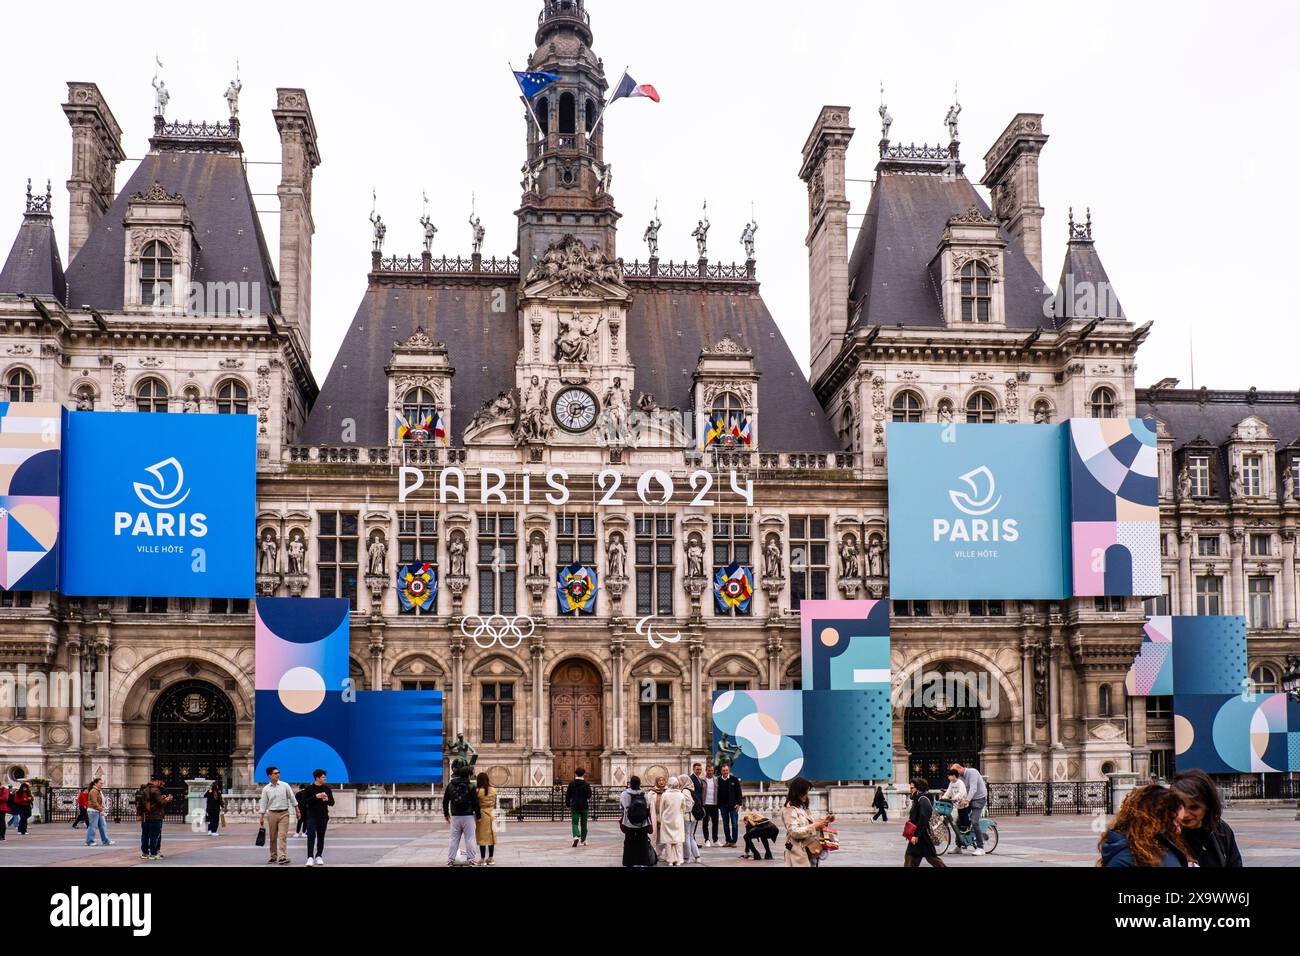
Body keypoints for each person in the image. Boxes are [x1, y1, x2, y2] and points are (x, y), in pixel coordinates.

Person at [1098, 784, 1190, 867]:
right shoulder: (1124, 859)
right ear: (1156, 820)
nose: (1179, 830)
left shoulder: (1162, 845)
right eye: (1177, 822)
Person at [1171, 770, 1242, 867]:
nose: (1185, 814)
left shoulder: (1221, 830)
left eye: (1194, 807)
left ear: (1208, 805)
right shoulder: (1167, 834)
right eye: (1179, 806)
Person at [782, 776, 833, 867]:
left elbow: (808, 826)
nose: (807, 795)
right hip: (797, 856)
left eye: (807, 792)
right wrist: (815, 826)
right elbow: (794, 831)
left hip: (810, 852)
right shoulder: (789, 810)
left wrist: (823, 822)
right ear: (797, 792)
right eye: (805, 792)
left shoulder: (803, 808)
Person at [442, 765, 481, 866]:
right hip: (468, 816)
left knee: (454, 839)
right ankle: (471, 860)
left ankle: (450, 860)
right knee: (470, 838)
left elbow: (445, 801)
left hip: (455, 816)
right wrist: (479, 815)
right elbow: (475, 802)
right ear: (468, 775)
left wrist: (446, 814)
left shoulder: (450, 785)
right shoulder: (471, 786)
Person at [258, 766, 297, 865]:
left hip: (284, 813)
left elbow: (292, 797)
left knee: (282, 836)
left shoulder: (285, 785)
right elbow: (263, 802)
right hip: (272, 814)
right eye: (275, 773)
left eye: (278, 772)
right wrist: (261, 816)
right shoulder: (266, 789)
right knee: (273, 836)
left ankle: (282, 856)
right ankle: (273, 856)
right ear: (269, 775)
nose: (278, 774)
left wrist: (297, 809)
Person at [904, 778, 946, 868]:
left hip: (922, 835)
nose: (910, 790)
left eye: (912, 788)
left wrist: (916, 835)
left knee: (914, 857)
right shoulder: (918, 799)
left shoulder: (923, 800)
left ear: (918, 788)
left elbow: (923, 818)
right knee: (915, 857)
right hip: (920, 836)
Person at [950, 762, 988, 855]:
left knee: (974, 821)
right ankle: (959, 846)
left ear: (959, 768)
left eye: (955, 772)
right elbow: (959, 790)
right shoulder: (960, 777)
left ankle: (980, 847)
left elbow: (973, 788)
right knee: (959, 821)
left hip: (979, 799)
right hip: (969, 799)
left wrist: (967, 800)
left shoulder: (972, 772)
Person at [619, 775, 654, 867]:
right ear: (639, 783)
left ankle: (628, 862)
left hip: (629, 823)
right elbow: (647, 807)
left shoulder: (624, 794)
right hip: (643, 823)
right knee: (643, 843)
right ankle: (643, 862)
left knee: (629, 842)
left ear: (630, 783)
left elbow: (622, 807)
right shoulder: (644, 794)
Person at [301, 769, 334, 866]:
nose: (325, 778)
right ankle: (310, 857)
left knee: (321, 836)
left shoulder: (327, 789)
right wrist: (316, 797)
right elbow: (304, 801)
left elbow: (332, 803)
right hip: (311, 816)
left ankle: (319, 855)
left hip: (323, 816)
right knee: (311, 836)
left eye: (325, 777)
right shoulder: (309, 789)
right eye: (323, 777)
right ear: (317, 778)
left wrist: (327, 799)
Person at [657, 776, 690, 866]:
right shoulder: (681, 795)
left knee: (668, 841)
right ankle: (679, 860)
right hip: (678, 819)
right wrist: (680, 815)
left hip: (667, 819)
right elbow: (684, 808)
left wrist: (661, 818)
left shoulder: (665, 795)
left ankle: (670, 860)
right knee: (678, 841)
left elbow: (661, 809)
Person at [140, 777, 170, 860]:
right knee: (154, 835)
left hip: (145, 816)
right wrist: (167, 799)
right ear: (155, 781)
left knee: (145, 835)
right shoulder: (155, 790)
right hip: (155, 816)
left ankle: (145, 853)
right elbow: (161, 803)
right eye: (159, 781)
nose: (160, 783)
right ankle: (153, 853)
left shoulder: (143, 789)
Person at [717, 763, 744, 847]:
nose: (725, 772)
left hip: (733, 806)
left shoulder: (734, 779)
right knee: (725, 824)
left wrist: (739, 804)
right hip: (723, 806)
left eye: (726, 770)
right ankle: (728, 840)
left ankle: (734, 841)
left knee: (734, 824)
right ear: (721, 771)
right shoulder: (718, 780)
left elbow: (739, 793)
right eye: (723, 770)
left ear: (729, 770)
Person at [564, 767, 592, 847]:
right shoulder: (586, 784)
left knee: (574, 823)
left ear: (575, 774)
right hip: (584, 806)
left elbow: (568, 795)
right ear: (584, 774)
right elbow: (589, 795)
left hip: (575, 805)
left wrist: (568, 804)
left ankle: (576, 836)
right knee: (584, 824)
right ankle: (583, 840)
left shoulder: (571, 783)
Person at [475, 771, 497, 866]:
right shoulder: (493, 790)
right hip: (492, 814)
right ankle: (491, 858)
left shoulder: (478, 791)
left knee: (482, 837)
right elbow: (495, 802)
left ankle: (482, 859)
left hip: (482, 814)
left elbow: (475, 804)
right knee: (491, 837)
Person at [85, 778, 112, 847]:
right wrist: (101, 810)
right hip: (93, 811)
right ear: (95, 783)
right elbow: (94, 802)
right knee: (93, 826)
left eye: (102, 783)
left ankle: (105, 841)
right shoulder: (94, 791)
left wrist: (100, 809)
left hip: (97, 810)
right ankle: (89, 841)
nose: (102, 784)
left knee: (102, 825)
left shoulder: (98, 791)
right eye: (100, 783)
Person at [699, 762, 720, 847]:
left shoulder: (716, 779)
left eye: (711, 770)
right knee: (705, 823)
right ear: (706, 770)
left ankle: (715, 839)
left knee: (715, 823)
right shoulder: (702, 780)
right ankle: (707, 839)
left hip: (714, 804)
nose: (710, 772)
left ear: (713, 771)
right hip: (705, 804)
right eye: (708, 770)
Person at [650, 775, 669, 859]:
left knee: (664, 836)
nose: (661, 782)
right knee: (655, 836)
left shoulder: (668, 792)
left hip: (664, 816)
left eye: (663, 780)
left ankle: (663, 853)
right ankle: (656, 853)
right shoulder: (652, 792)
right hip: (655, 816)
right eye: (659, 780)